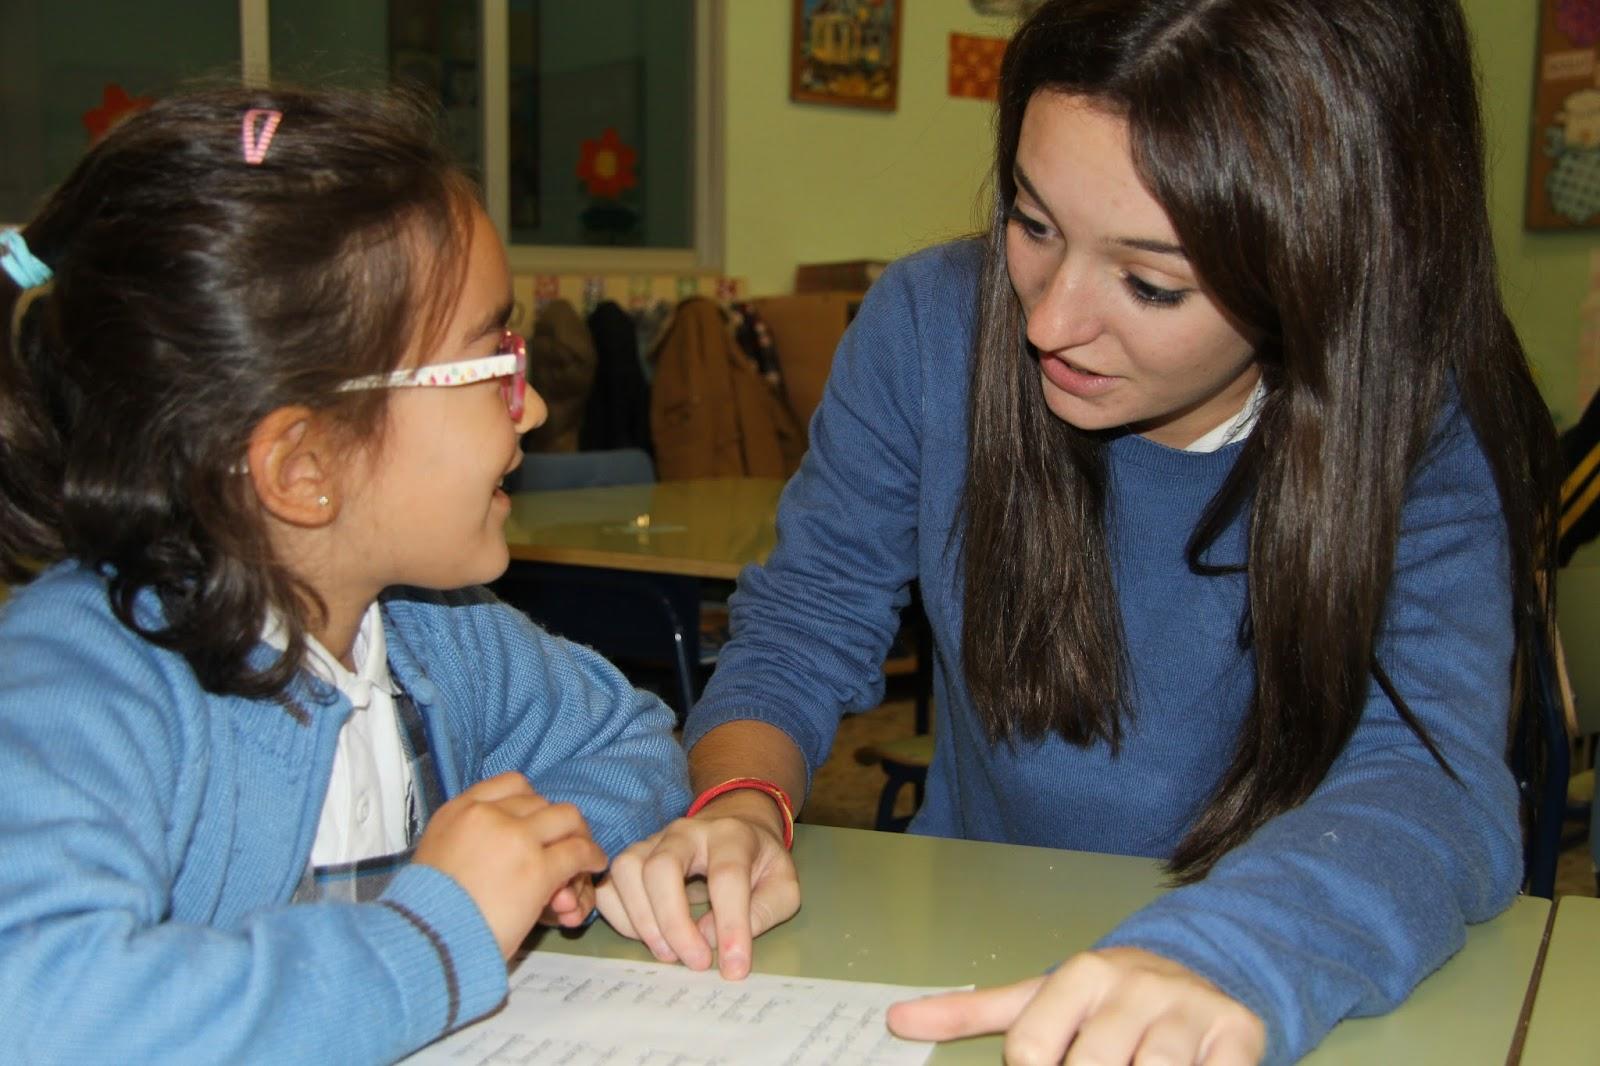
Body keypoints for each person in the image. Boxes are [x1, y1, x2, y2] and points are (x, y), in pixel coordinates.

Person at [593, 1, 1561, 1062]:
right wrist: (738, 800)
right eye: (1031, 221)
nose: (1049, 321)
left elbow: (1433, 780)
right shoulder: (928, 324)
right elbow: (801, 622)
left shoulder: (1421, 415)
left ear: (1328, 267)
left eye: (1150, 283)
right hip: (957, 956)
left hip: (1276, 971)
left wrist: (1234, 951)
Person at [0, 87, 689, 1064]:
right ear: (305, 466)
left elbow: (628, 736)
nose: (528, 406)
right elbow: (38, 1011)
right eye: (489, 356)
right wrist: (430, 935)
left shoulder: (431, 628)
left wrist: (545, 850)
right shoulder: (81, 680)